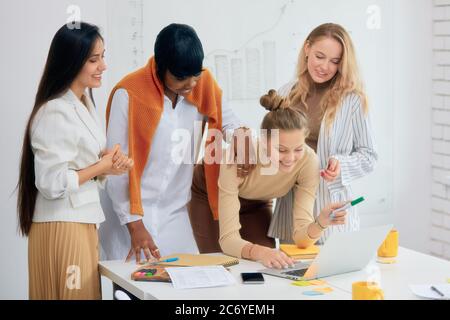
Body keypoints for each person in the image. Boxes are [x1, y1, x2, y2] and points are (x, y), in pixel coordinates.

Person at [99, 23, 244, 267]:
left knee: (190, 281)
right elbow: (116, 168)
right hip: (129, 214)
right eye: (180, 78)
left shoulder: (202, 84)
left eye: (195, 75)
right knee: (130, 286)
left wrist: (243, 139)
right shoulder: (129, 94)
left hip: (174, 212)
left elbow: (231, 122)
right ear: (160, 68)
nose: (190, 85)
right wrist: (135, 226)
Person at [17, 22, 133, 300]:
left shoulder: (83, 104)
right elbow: (51, 182)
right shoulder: (55, 111)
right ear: (70, 62)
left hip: (82, 221)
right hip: (64, 225)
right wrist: (101, 167)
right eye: (94, 59)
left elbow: (81, 167)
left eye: (103, 56)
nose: (103, 66)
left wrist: (108, 166)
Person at [206, 90, 347, 268]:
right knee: (223, 263)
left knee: (270, 262)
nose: (290, 158)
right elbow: (228, 240)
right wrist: (260, 252)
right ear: (263, 141)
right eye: (281, 150)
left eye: (298, 149)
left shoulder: (309, 161)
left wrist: (321, 222)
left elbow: (301, 238)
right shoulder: (239, 157)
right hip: (211, 193)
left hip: (258, 201)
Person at [271, 23, 377, 243]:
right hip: (293, 205)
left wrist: (340, 165)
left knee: (334, 275)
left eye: (335, 61)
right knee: (294, 275)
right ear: (307, 48)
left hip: (330, 206)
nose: (325, 67)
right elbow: (270, 148)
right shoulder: (285, 94)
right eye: (320, 56)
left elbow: (369, 156)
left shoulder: (353, 100)